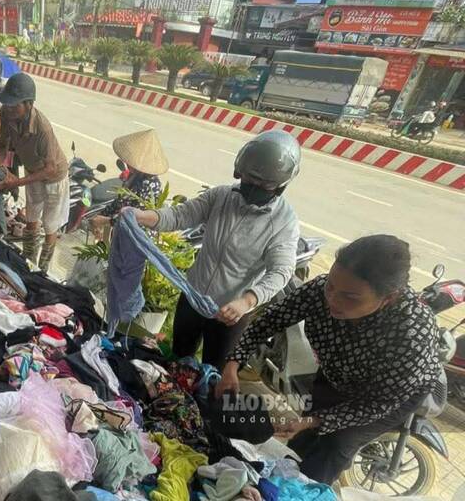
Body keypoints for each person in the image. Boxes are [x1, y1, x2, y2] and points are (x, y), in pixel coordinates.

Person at [215, 235, 442, 484]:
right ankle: (281, 479)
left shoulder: (411, 334)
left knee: (336, 446)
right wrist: (233, 364)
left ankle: (306, 490)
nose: (332, 300)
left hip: (386, 396)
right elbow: (270, 320)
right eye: (331, 286)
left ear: (388, 298)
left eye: (350, 297)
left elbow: (376, 404)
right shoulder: (321, 292)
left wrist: (315, 421)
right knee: (301, 440)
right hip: (336, 373)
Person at [130, 130, 301, 368]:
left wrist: (246, 301)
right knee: (177, 360)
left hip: (230, 314)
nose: (254, 187)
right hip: (193, 297)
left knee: (213, 373)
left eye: (264, 185)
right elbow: (181, 215)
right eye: (250, 180)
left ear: (281, 186)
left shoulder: (283, 222)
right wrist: (140, 216)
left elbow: (281, 271)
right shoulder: (222, 196)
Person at [0, 72, 69, 272]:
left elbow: (50, 168)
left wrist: (16, 182)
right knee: (31, 218)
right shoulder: (6, 114)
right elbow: (2, 145)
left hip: (54, 176)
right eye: (7, 103)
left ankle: (42, 269)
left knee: (50, 224)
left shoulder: (43, 128)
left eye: (14, 105)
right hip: (32, 171)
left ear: (28, 104)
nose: (8, 108)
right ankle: (28, 262)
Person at [91, 129, 167, 233]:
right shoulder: (133, 175)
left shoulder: (150, 184)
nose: (128, 164)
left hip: (136, 235)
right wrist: (102, 215)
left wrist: (106, 221)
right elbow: (119, 201)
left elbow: (134, 217)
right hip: (121, 228)